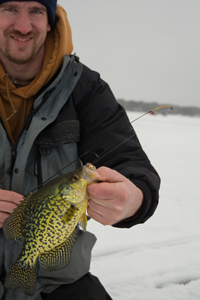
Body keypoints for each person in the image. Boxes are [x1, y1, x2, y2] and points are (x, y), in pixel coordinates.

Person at [0, 1, 160, 299]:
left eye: (35, 10)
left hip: (59, 285)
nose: (23, 25)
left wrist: (133, 198)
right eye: (9, 8)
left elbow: (132, 166)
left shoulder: (86, 90)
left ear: (50, 21)